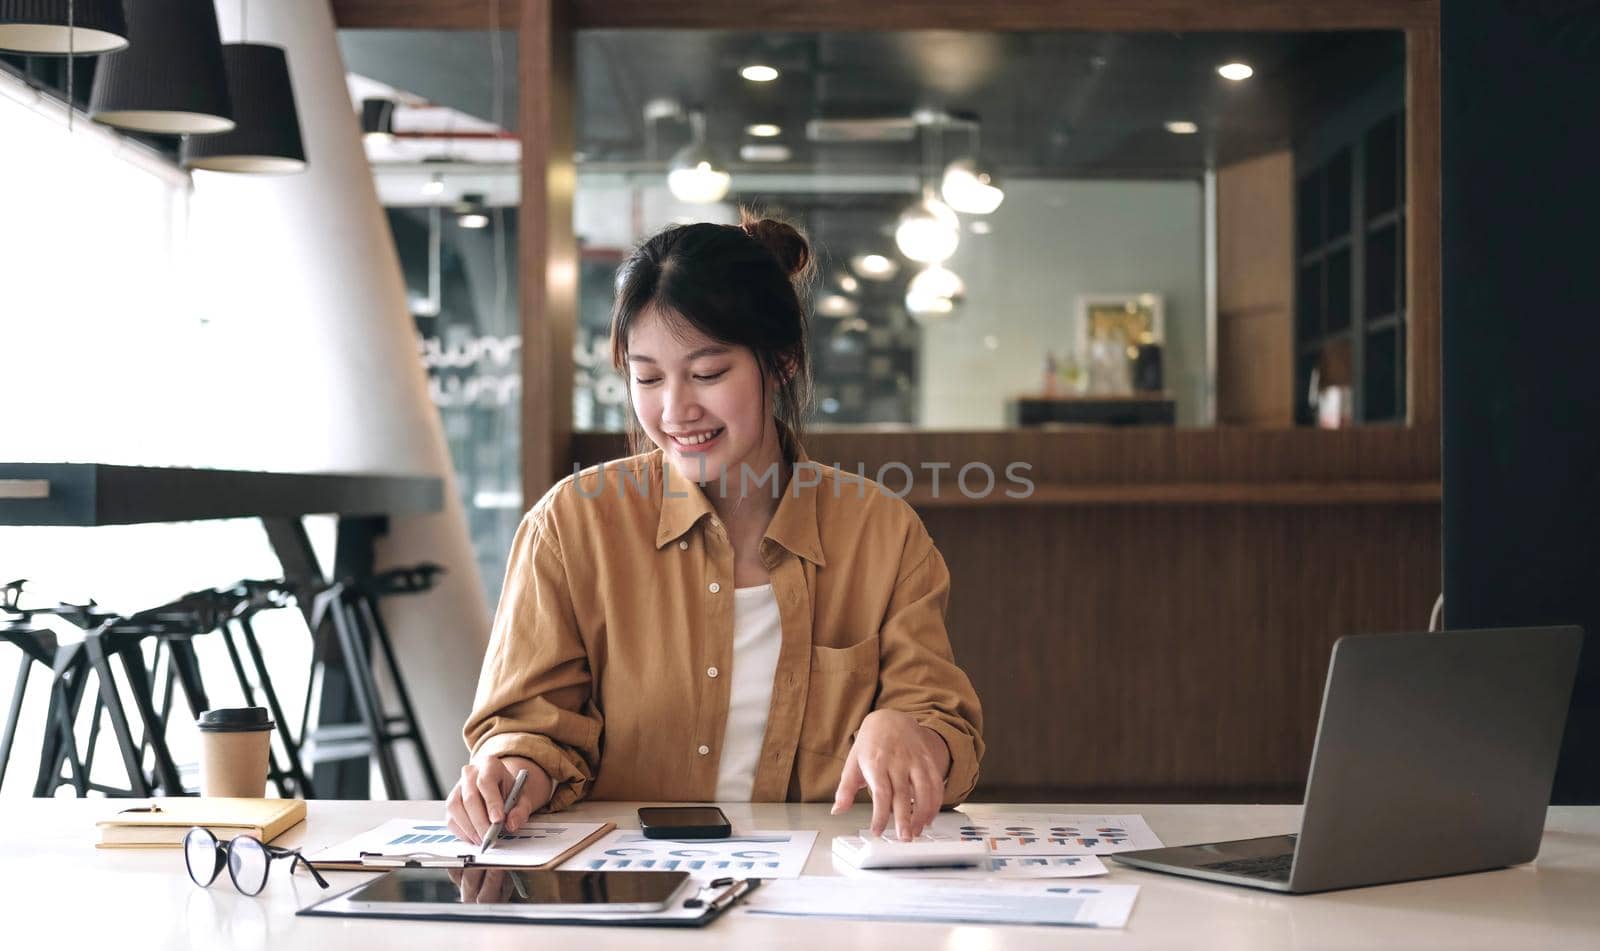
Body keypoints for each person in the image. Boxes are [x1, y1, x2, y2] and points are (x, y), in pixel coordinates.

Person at [444, 213, 983, 845]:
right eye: (647, 378)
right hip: (631, 894)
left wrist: (908, 730)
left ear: (779, 363)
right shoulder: (571, 527)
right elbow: (533, 727)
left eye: (707, 374)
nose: (676, 411)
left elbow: (945, 724)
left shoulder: (881, 533)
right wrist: (511, 772)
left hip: (815, 892)